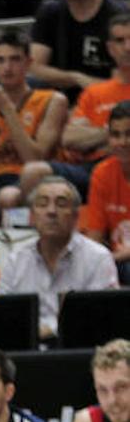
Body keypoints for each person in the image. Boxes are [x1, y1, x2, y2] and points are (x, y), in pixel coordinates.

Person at [20, 13, 130, 203]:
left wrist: (94, 136)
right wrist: (112, 134)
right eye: (120, 41)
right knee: (33, 172)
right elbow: (69, 138)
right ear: (110, 48)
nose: (128, 47)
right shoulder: (95, 93)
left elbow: (82, 138)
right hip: (93, 168)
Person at [0, 175, 117, 341]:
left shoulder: (98, 258)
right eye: (42, 204)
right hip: (26, 353)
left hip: (81, 350)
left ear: (76, 216)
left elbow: (103, 318)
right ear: (32, 216)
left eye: (61, 204)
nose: (51, 211)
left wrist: (48, 331)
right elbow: (2, 314)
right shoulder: (15, 259)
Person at [0, 29, 68, 215]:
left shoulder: (52, 100)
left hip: (30, 180)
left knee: (7, 197)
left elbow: (34, 159)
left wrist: (7, 109)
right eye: (0, 60)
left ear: (28, 63)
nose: (7, 68)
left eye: (15, 59)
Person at [29, 0, 127, 99]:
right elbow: (34, 68)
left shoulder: (118, 15)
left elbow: (121, 83)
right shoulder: (49, 12)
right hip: (61, 104)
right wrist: (76, 78)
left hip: (107, 103)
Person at [78, 102, 130, 286]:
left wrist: (109, 259)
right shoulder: (102, 173)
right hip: (116, 261)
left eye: (128, 134)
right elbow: (95, 237)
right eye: (116, 135)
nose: (123, 142)